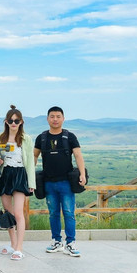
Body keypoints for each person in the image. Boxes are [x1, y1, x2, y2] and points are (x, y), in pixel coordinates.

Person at [34, 106, 86, 257]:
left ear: (63, 118)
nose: (55, 119)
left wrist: (82, 174)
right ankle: (56, 241)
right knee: (53, 213)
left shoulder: (69, 137)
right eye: (52, 116)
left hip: (66, 183)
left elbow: (78, 156)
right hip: (48, 182)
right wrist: (30, 177)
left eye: (58, 116)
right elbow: (34, 156)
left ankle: (70, 243)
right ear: (47, 119)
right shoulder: (41, 138)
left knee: (69, 213)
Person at [0, 105, 35, 260]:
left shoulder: (26, 139)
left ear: (21, 122)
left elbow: (30, 161)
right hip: (6, 174)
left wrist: (31, 183)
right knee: (8, 213)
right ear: (6, 121)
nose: (13, 123)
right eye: (11, 120)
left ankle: (19, 248)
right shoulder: (0, 138)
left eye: (16, 121)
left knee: (18, 212)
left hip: (20, 174)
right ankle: (13, 243)